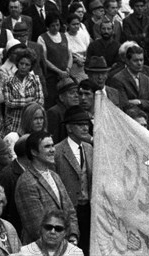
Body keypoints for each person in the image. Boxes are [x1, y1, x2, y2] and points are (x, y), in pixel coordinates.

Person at [15, 131, 79, 244]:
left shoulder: (54, 175)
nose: (53, 150)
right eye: (47, 146)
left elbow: (70, 210)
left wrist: (73, 236)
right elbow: (36, 227)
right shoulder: (26, 182)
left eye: (53, 145)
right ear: (34, 152)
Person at [54, 106, 93, 255]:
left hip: (88, 208)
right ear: (69, 128)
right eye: (80, 124)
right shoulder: (57, 151)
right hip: (69, 209)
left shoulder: (89, 148)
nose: (85, 127)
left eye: (86, 124)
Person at [110, 45, 149, 129]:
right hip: (129, 126)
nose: (139, 63)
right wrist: (147, 103)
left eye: (141, 60)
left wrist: (139, 102)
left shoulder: (146, 79)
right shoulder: (118, 79)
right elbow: (124, 105)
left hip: (147, 125)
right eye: (136, 60)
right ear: (127, 61)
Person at [2, 48, 44, 135]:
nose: (23, 67)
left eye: (27, 65)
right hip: (13, 122)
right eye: (21, 63)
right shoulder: (8, 80)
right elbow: (9, 102)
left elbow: (40, 101)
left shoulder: (35, 79)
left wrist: (18, 102)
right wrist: (28, 101)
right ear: (17, 63)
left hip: (30, 122)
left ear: (31, 66)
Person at [18, 210, 84, 256]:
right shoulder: (25, 252)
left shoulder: (76, 253)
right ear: (41, 228)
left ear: (65, 232)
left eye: (58, 229)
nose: (52, 232)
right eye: (48, 227)